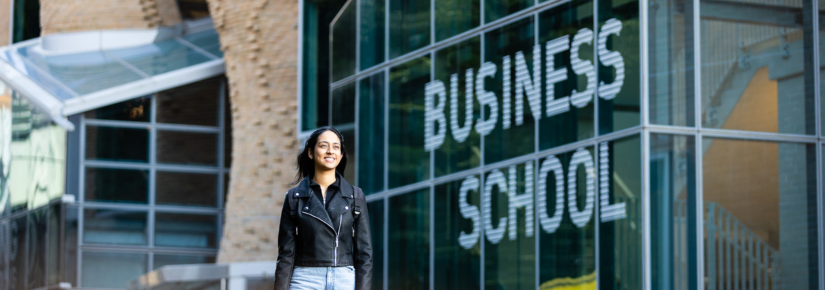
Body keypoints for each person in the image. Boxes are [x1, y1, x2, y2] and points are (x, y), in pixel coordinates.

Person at [274, 127, 373, 290]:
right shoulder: (294, 198)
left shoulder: (355, 196)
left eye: (336, 147)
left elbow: (365, 255)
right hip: (305, 280)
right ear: (310, 153)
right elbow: (286, 255)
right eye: (323, 145)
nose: (330, 151)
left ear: (341, 156)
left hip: (344, 279)